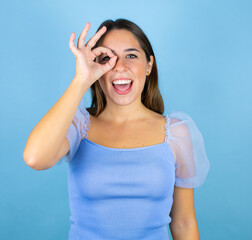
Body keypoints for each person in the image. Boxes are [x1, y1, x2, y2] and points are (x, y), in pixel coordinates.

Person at [23, 18, 210, 240]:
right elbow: (35, 158)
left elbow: (184, 223)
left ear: (149, 65)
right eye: (107, 58)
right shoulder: (80, 126)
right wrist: (81, 80)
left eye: (131, 55)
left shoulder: (176, 133)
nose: (120, 67)